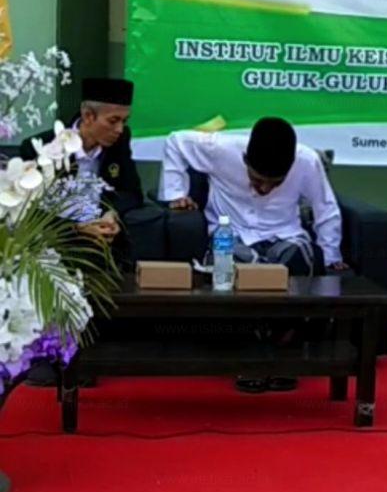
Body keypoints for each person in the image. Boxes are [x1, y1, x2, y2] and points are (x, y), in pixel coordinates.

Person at [159, 117, 347, 394]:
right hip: (231, 233)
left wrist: (331, 257)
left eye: (275, 183)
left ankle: (284, 353)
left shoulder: (306, 160)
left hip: (284, 235)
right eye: (257, 180)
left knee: (300, 259)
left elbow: (326, 209)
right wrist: (176, 193)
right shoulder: (220, 149)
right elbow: (175, 141)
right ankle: (249, 355)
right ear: (245, 159)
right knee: (235, 265)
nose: (264, 189)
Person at [20, 77, 143, 266]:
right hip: (56, 241)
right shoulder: (41, 148)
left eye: (124, 121)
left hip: (104, 243)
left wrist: (111, 214)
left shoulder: (119, 142)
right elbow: (29, 210)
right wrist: (77, 228)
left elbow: (132, 192)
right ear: (88, 116)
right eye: (113, 121)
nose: (119, 129)